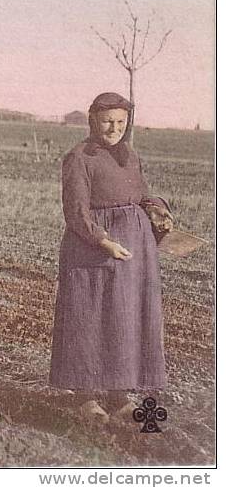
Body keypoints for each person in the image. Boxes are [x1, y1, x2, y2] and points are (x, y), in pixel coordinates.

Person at [49, 92, 174, 424]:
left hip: (134, 251)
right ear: (93, 120)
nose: (114, 128)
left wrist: (157, 208)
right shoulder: (79, 158)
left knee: (125, 320)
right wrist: (104, 242)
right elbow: (76, 213)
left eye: (121, 121)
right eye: (107, 121)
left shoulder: (130, 156)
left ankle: (120, 395)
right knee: (90, 318)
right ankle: (87, 397)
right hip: (93, 251)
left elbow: (141, 193)